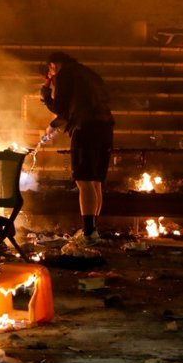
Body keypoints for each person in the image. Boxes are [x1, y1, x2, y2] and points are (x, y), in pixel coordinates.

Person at [40, 51, 114, 246]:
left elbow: (61, 107)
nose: (51, 76)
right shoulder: (87, 73)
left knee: (84, 180)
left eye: (50, 71)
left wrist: (46, 95)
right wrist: (57, 124)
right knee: (95, 180)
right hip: (105, 127)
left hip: (86, 129)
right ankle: (93, 230)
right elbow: (79, 106)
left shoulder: (65, 74)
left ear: (54, 66)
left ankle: (88, 234)